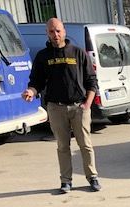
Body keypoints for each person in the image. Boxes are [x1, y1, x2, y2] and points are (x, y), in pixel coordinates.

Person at [22, 18, 101, 194]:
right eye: (51, 31)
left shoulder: (78, 53)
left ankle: (92, 177)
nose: (55, 35)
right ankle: (66, 181)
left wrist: (87, 103)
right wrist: (31, 92)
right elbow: (36, 82)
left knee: (85, 145)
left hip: (79, 107)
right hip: (56, 108)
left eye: (58, 31)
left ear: (64, 31)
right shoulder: (43, 57)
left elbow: (92, 81)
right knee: (62, 146)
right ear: (47, 34)